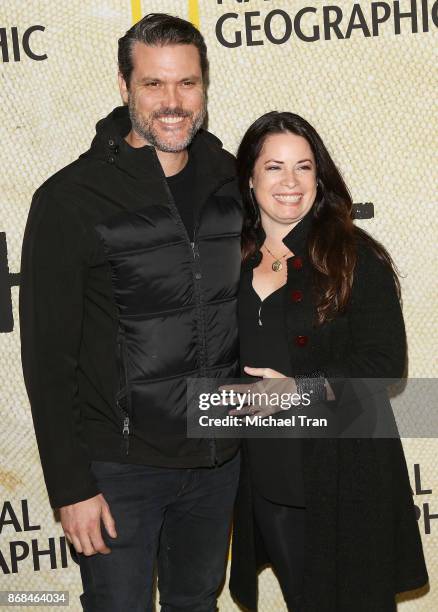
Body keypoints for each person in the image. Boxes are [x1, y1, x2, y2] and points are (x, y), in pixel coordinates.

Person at [19, 13, 242, 612]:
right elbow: (47, 359)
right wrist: (71, 486)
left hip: (216, 460)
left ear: (204, 86)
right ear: (124, 86)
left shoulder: (231, 179)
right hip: (120, 474)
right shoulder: (70, 198)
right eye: (154, 84)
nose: (173, 103)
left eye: (187, 84)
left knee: (197, 604)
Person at [228, 112, 428, 611]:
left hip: (345, 479)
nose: (290, 182)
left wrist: (299, 389)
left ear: (321, 177)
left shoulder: (355, 256)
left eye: (304, 166)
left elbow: (385, 361)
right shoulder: (228, 260)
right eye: (274, 167)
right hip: (267, 482)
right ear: (250, 178)